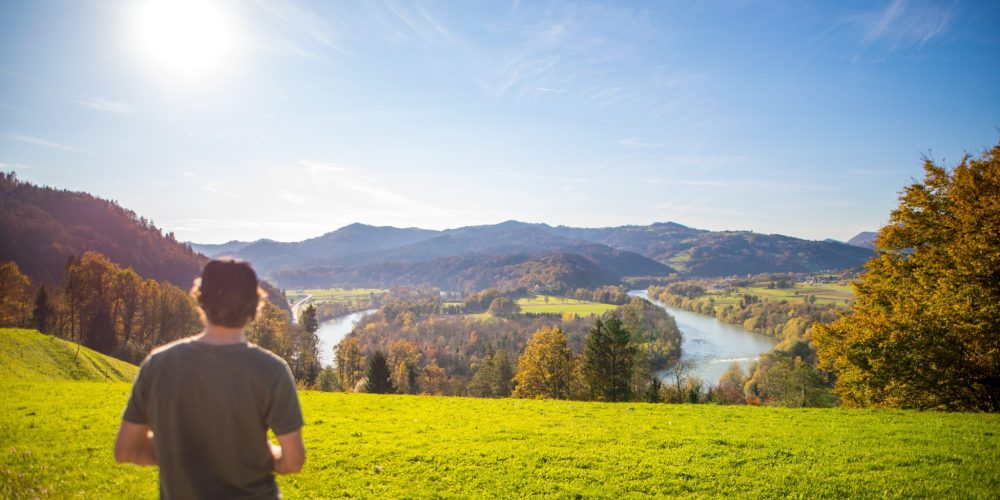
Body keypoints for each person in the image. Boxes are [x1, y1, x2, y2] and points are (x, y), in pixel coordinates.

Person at [114, 259, 305, 499]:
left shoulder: (158, 364)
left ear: (200, 300)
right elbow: (294, 461)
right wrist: (265, 453)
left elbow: (126, 450)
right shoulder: (272, 370)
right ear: (254, 306)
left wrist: (180, 452)